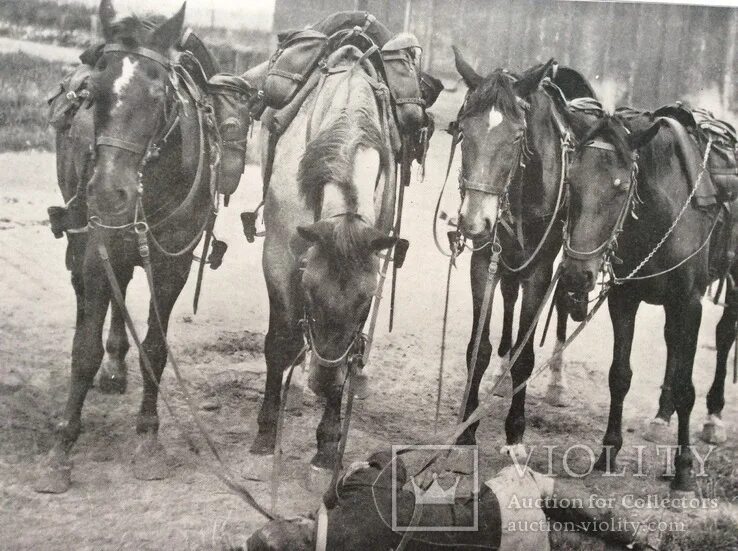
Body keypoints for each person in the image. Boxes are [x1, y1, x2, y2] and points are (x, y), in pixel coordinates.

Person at [247, 449, 653, 550]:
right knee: (556, 497)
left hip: (492, 544)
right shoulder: (361, 497)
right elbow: (391, 463)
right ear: (299, 525)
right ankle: (636, 541)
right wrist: (339, 485)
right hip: (499, 509)